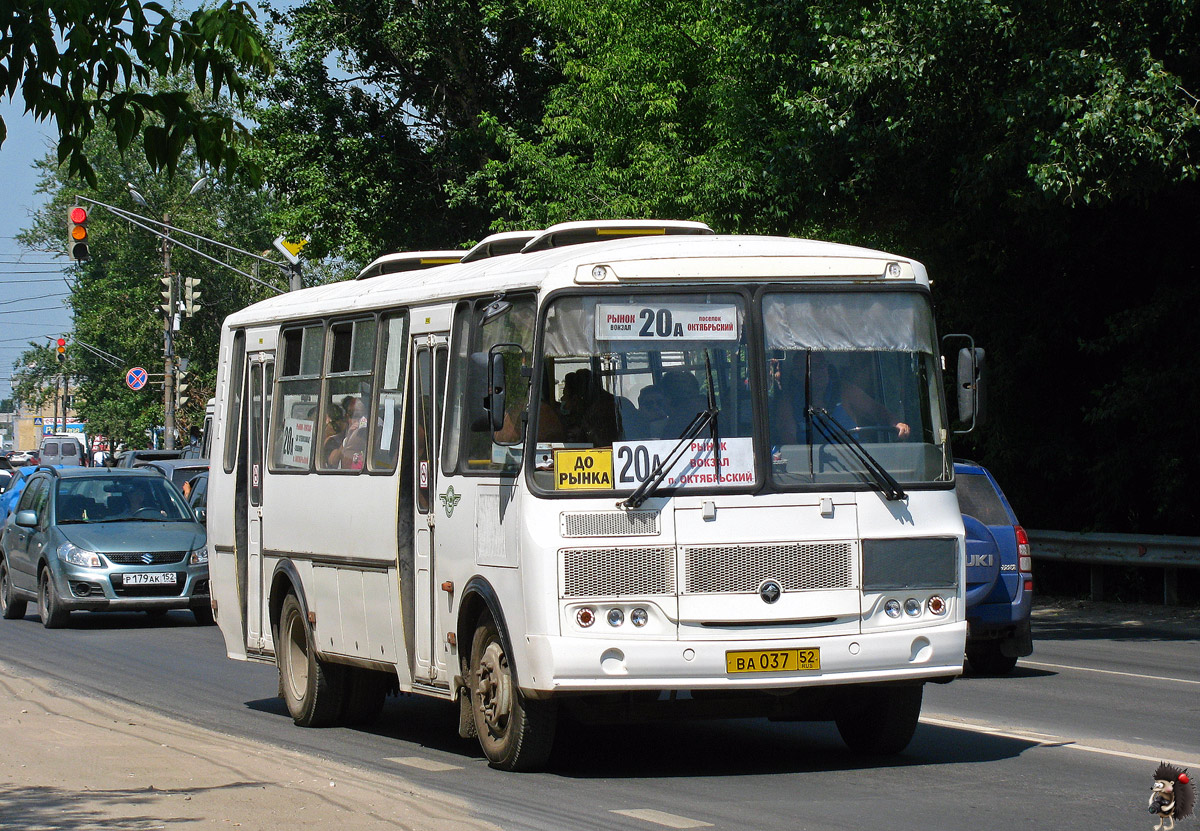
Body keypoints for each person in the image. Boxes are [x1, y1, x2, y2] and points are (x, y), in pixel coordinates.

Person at [773, 352, 910, 444]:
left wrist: (896, 423)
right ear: (797, 374)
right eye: (812, 367)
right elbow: (790, 442)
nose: (820, 371)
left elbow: (878, 411)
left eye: (822, 365)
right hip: (813, 473)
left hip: (856, 465)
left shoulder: (845, 391)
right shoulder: (788, 403)